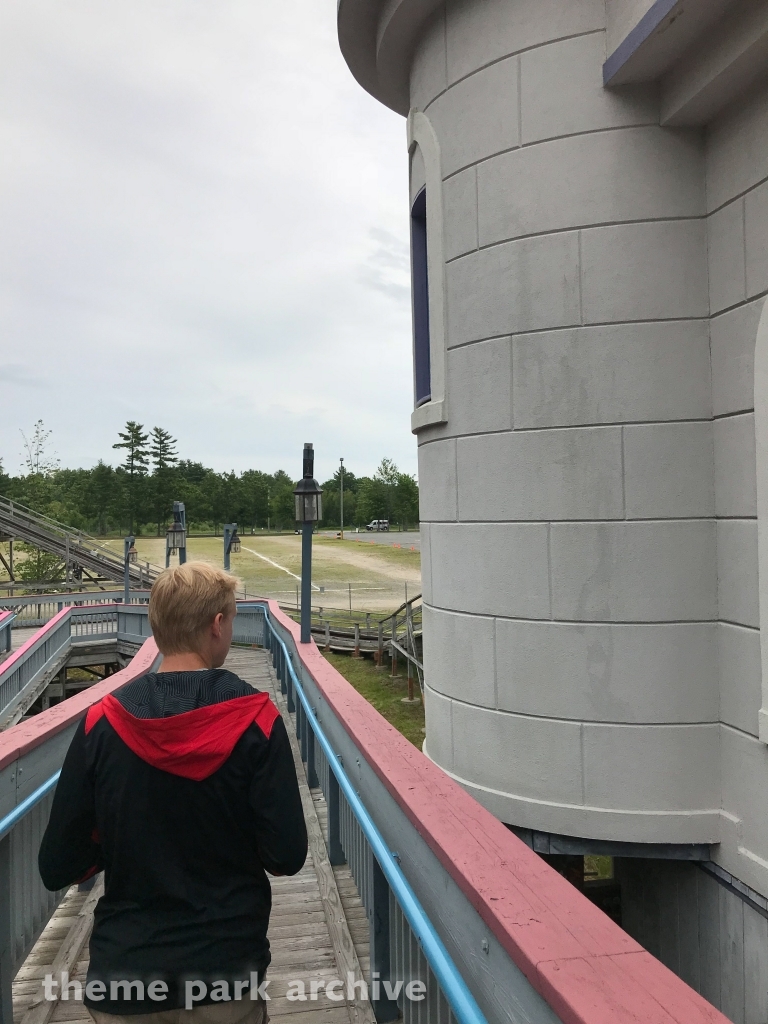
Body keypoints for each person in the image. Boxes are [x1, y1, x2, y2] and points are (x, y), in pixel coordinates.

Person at [39, 562, 307, 1024]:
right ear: (218, 625)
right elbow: (286, 855)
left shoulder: (102, 723)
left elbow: (58, 864)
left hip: (126, 973)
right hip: (225, 971)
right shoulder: (258, 721)